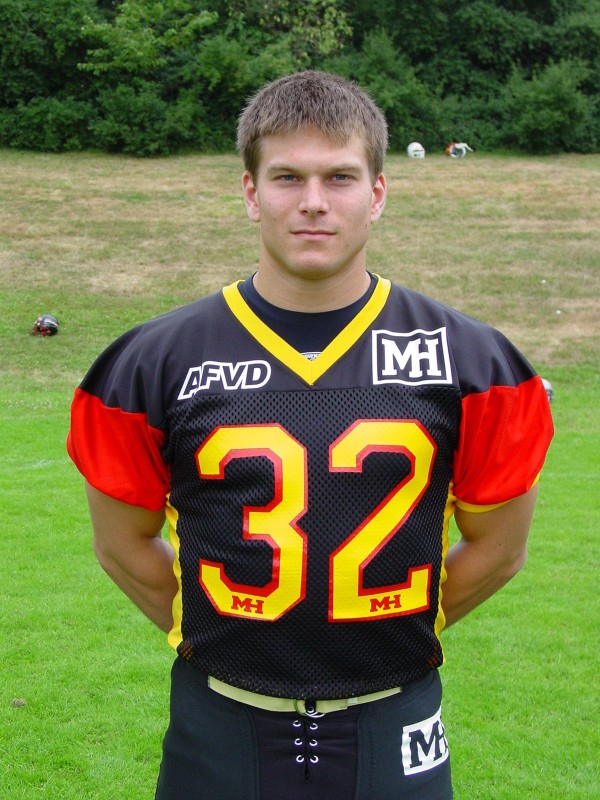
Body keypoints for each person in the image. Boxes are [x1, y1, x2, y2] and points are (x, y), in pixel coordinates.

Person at [67, 71, 554, 800]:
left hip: (395, 716)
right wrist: (229, 633)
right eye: (288, 177)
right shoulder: (154, 361)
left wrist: (380, 629)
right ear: (251, 192)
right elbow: (122, 545)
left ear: (378, 193)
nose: (314, 202)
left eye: (340, 177)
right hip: (219, 719)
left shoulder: (474, 362)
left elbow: (499, 550)